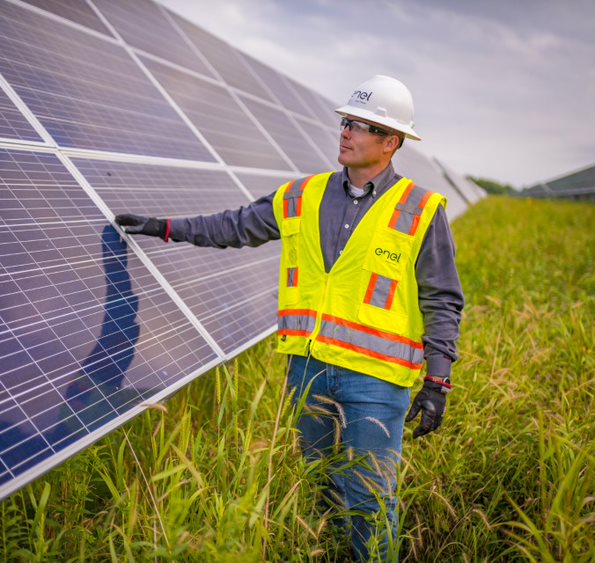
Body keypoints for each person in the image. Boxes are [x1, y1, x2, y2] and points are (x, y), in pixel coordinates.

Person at [115, 75, 464, 561]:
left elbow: (443, 298)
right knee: (316, 488)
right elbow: (235, 226)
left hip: (377, 382)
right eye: (345, 121)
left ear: (391, 142)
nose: (345, 132)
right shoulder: (303, 195)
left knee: (367, 497)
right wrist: (165, 227)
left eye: (360, 126)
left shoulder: (421, 209)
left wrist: (438, 380)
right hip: (309, 371)